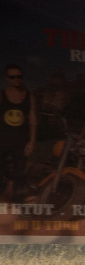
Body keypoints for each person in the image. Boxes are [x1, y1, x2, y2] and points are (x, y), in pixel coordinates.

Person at [0, 65, 35, 199]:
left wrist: (31, 141)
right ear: (7, 78)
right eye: (12, 77)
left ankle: (17, 204)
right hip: (2, 139)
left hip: (21, 140)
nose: (16, 80)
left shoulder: (29, 96)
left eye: (19, 76)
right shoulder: (2, 94)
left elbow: (32, 118)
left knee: (20, 172)